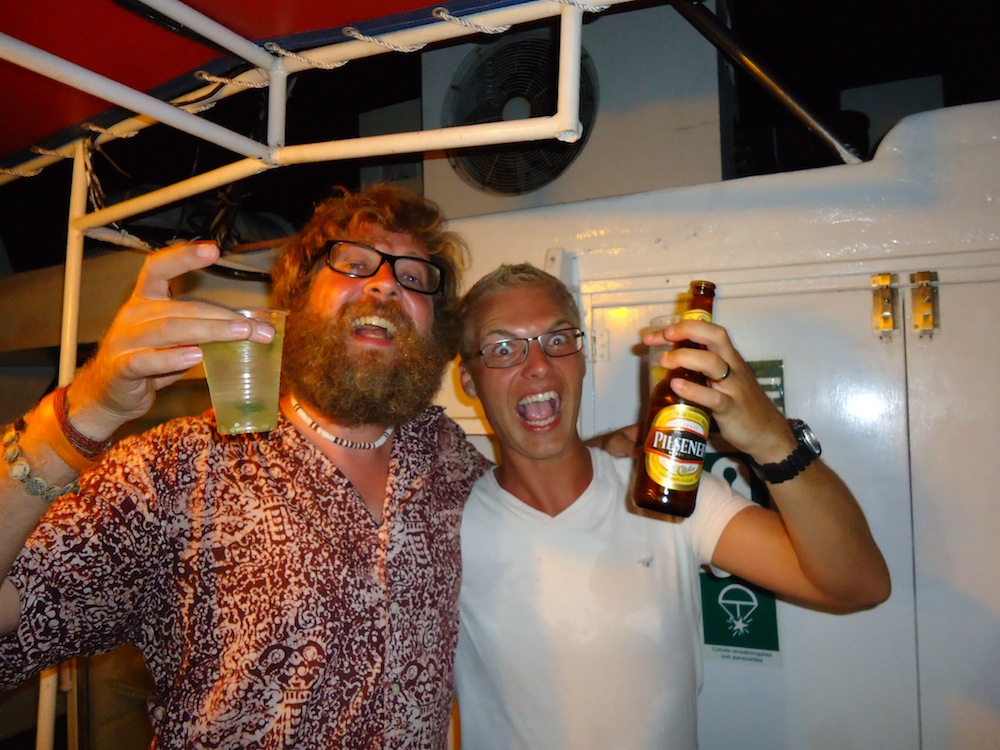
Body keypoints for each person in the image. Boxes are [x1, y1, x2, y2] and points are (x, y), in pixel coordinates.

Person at [0, 185, 492, 749]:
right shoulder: (180, 468)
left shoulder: (448, 457)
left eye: (414, 276)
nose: (385, 283)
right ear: (297, 301)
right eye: (355, 265)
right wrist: (85, 412)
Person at [453, 263, 891, 749]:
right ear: (468, 379)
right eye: (503, 349)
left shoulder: (666, 495)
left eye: (558, 340)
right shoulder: (445, 529)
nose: (538, 365)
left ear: (581, 358)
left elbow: (859, 584)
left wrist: (771, 438)